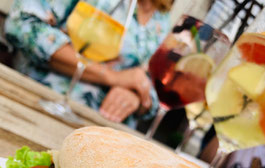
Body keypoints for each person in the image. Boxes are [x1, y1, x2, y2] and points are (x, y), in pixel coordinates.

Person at [5, 0, 172, 127]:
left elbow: (159, 89)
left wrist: (138, 95)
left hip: (106, 135)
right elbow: (21, 23)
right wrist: (112, 77)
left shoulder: (162, 18)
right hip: (40, 109)